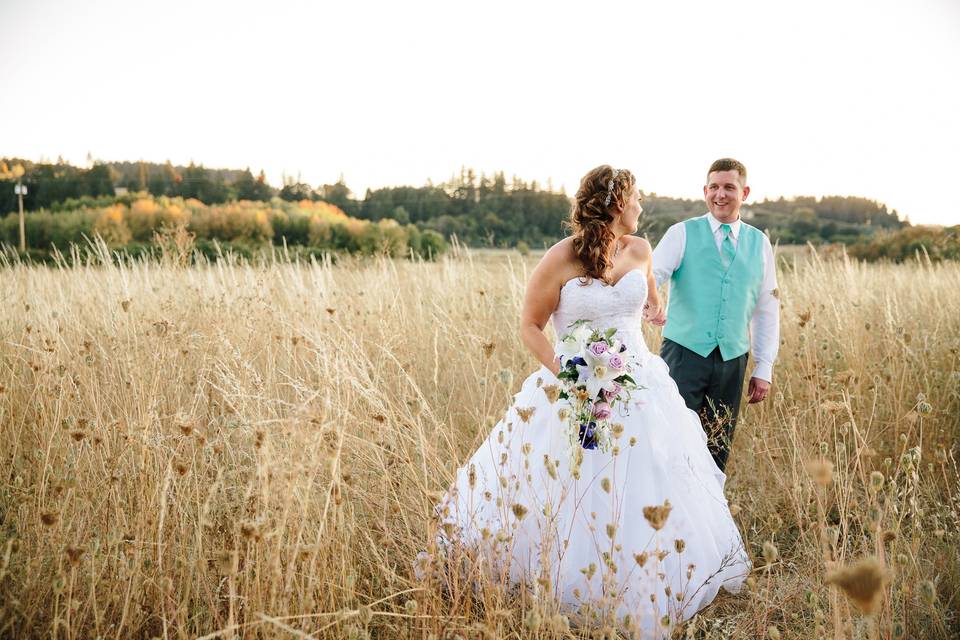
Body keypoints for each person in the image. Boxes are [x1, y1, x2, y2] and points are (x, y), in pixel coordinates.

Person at [425, 166, 750, 635]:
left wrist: (658, 313)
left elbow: (650, 306)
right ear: (618, 202)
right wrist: (569, 374)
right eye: (636, 199)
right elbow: (530, 327)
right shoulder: (561, 257)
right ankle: (566, 580)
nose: (641, 207)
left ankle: (647, 576)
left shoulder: (640, 250)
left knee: (646, 479)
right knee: (571, 482)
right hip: (574, 387)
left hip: (639, 387)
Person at [650, 158, 780, 471]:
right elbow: (651, 276)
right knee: (673, 440)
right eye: (714, 187)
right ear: (705, 191)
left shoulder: (759, 243)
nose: (720, 194)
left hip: (733, 359)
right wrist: (650, 302)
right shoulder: (681, 233)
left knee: (717, 446)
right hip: (683, 353)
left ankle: (709, 516)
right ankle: (668, 514)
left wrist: (764, 366)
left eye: (729, 187)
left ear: (744, 192)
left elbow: (766, 307)